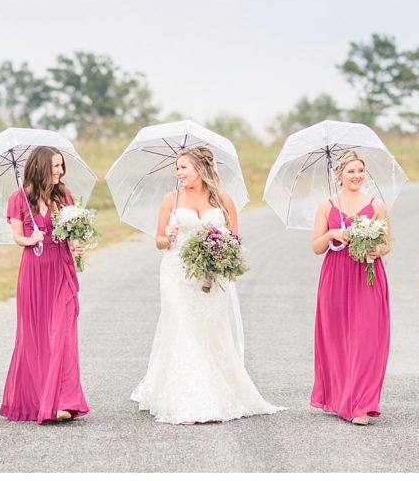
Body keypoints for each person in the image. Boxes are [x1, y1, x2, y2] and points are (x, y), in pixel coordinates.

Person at [131, 146, 284, 424]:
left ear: (200, 169)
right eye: (177, 168)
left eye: (183, 168)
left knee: (210, 329)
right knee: (182, 327)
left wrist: (219, 252)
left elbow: (236, 241)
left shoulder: (224, 200)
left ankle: (218, 388)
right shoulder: (171, 199)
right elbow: (159, 242)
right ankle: (188, 397)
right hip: (177, 273)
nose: (178, 173)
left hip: (211, 276)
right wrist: (168, 234)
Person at [1, 146, 89, 423]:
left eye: (62, 166)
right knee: (36, 334)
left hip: (60, 267)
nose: (60, 172)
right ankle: (40, 399)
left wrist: (76, 246)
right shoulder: (19, 199)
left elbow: (73, 232)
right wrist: (32, 238)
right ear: (41, 168)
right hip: (34, 270)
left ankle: (64, 400)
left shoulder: (64, 195)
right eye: (55, 167)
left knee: (62, 332)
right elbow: (17, 237)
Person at [309, 150, 391, 425]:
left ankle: (362, 404)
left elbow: (387, 243)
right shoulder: (327, 206)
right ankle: (343, 397)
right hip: (336, 275)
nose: (356, 176)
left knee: (367, 337)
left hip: (367, 275)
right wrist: (332, 233)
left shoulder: (377, 204)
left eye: (360, 171)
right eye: (351, 172)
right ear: (340, 175)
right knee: (339, 337)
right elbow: (316, 248)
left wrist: (375, 251)